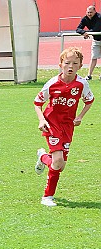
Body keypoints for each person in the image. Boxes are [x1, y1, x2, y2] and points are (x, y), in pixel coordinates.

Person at [34, 47, 94, 207]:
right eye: (67, 63)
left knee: (59, 166)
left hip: (68, 126)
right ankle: (47, 197)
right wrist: (41, 120)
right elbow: (37, 103)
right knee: (58, 161)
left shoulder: (82, 84)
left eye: (75, 63)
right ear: (60, 64)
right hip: (52, 124)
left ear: (80, 65)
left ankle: (42, 157)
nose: (71, 66)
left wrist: (80, 116)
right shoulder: (52, 83)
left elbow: (89, 101)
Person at [76, 5, 101, 80]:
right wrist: (83, 32)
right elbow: (78, 29)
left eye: (91, 12)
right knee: (93, 57)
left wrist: (87, 33)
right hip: (96, 40)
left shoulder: (99, 17)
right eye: (88, 12)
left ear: (95, 12)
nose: (89, 14)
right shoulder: (85, 19)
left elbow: (95, 29)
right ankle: (89, 75)